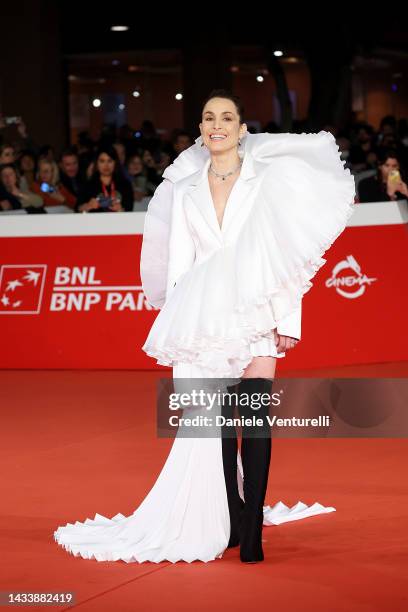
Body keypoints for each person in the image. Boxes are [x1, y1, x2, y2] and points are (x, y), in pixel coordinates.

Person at [53, 90, 356, 564]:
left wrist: (287, 319)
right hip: (202, 317)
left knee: (254, 419)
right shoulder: (183, 187)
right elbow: (178, 260)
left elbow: (288, 255)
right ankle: (232, 517)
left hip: (256, 309)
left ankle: (252, 527)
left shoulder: (267, 182)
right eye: (208, 117)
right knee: (212, 424)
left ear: (241, 130)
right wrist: (178, 322)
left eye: (227, 118)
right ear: (201, 129)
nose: (217, 125)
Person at [75, 146, 134, 213]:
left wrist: (120, 209)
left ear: (115, 163)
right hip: (94, 222)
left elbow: (130, 210)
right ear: (96, 163)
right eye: (102, 161)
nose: (106, 165)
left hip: (118, 222)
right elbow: (77, 209)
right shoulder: (87, 186)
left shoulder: (125, 185)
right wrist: (87, 206)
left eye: (110, 161)